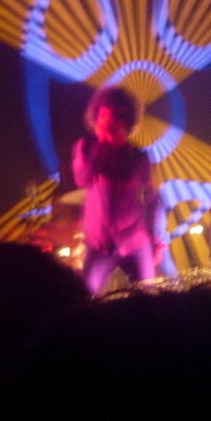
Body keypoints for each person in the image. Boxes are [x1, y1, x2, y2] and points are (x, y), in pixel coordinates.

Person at [72, 86, 165, 293]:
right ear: (95, 118)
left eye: (114, 117)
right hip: (99, 244)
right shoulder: (85, 148)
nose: (108, 122)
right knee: (86, 300)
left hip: (135, 241)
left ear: (127, 121)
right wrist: (103, 145)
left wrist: (157, 238)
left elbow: (153, 200)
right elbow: (81, 178)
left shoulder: (139, 157)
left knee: (149, 298)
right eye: (103, 116)